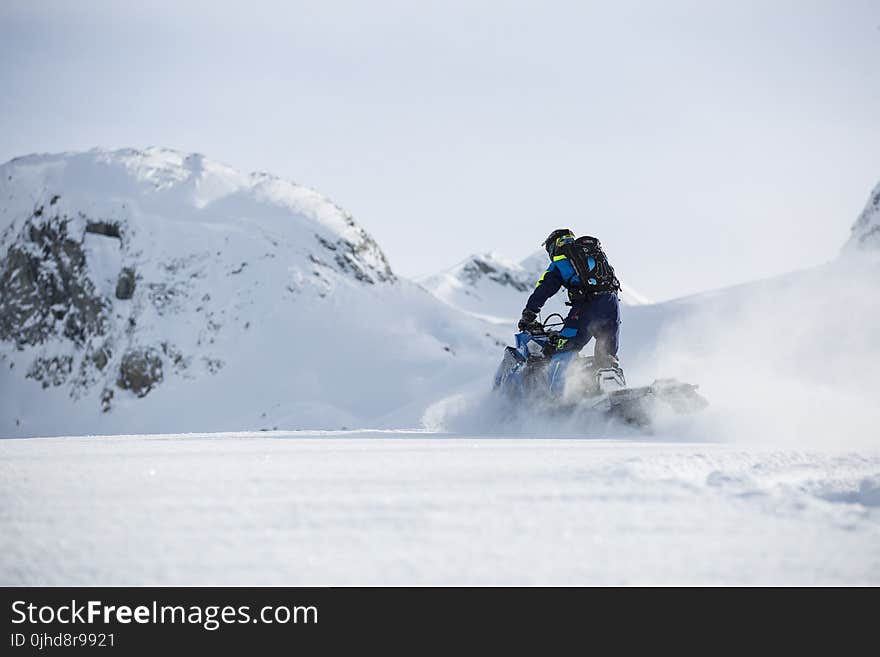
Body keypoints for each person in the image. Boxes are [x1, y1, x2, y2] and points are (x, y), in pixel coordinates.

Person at [517, 229, 625, 393]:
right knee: (606, 355)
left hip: (588, 306)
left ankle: (558, 398)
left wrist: (529, 314)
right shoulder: (594, 255)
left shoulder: (561, 259)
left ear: (554, 245)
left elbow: (543, 289)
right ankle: (612, 393)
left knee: (564, 348)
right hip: (612, 305)